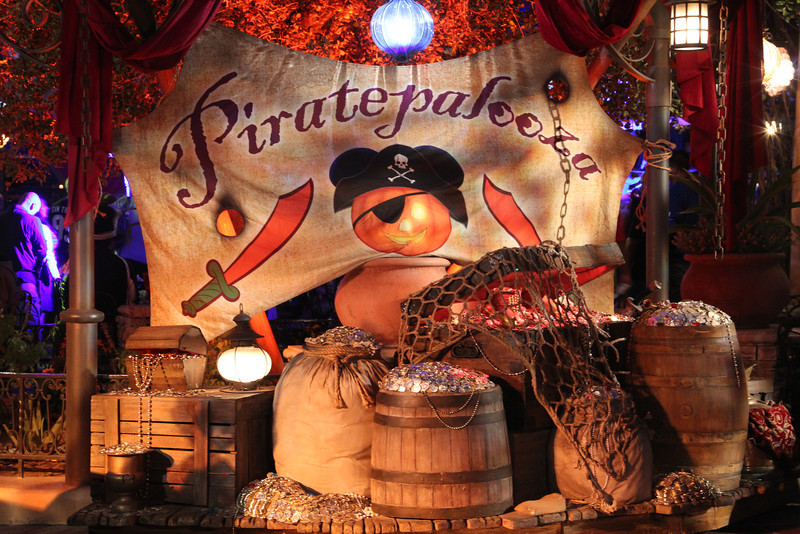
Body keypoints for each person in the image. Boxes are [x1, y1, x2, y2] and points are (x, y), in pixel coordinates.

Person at [0, 192, 50, 324]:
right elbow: (42, 250)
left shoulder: (1, 217)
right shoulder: (32, 220)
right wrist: (37, 269)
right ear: (33, 205)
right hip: (24, 279)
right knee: (28, 322)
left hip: (2, 276)